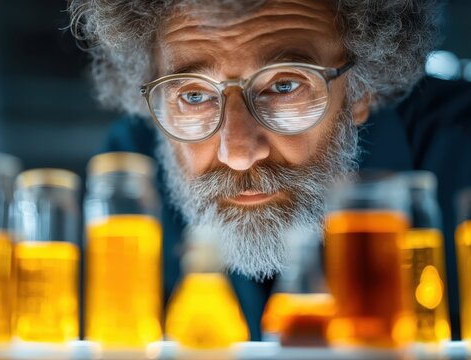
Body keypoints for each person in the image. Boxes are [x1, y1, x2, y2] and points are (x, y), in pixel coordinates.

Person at [68, 0, 471, 340]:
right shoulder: (130, 171)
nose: (238, 153)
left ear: (361, 90)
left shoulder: (459, 148)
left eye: (284, 86)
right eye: (193, 94)